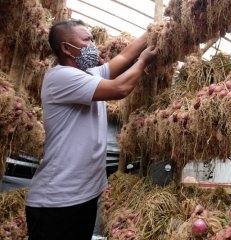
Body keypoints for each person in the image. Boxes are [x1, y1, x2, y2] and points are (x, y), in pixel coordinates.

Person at [25, 19, 158, 240]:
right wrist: (143, 61)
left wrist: (155, 30)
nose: (93, 45)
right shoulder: (61, 77)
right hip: (57, 202)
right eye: (87, 40)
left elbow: (124, 58)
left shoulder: (90, 74)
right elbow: (120, 88)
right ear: (66, 48)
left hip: (81, 197)